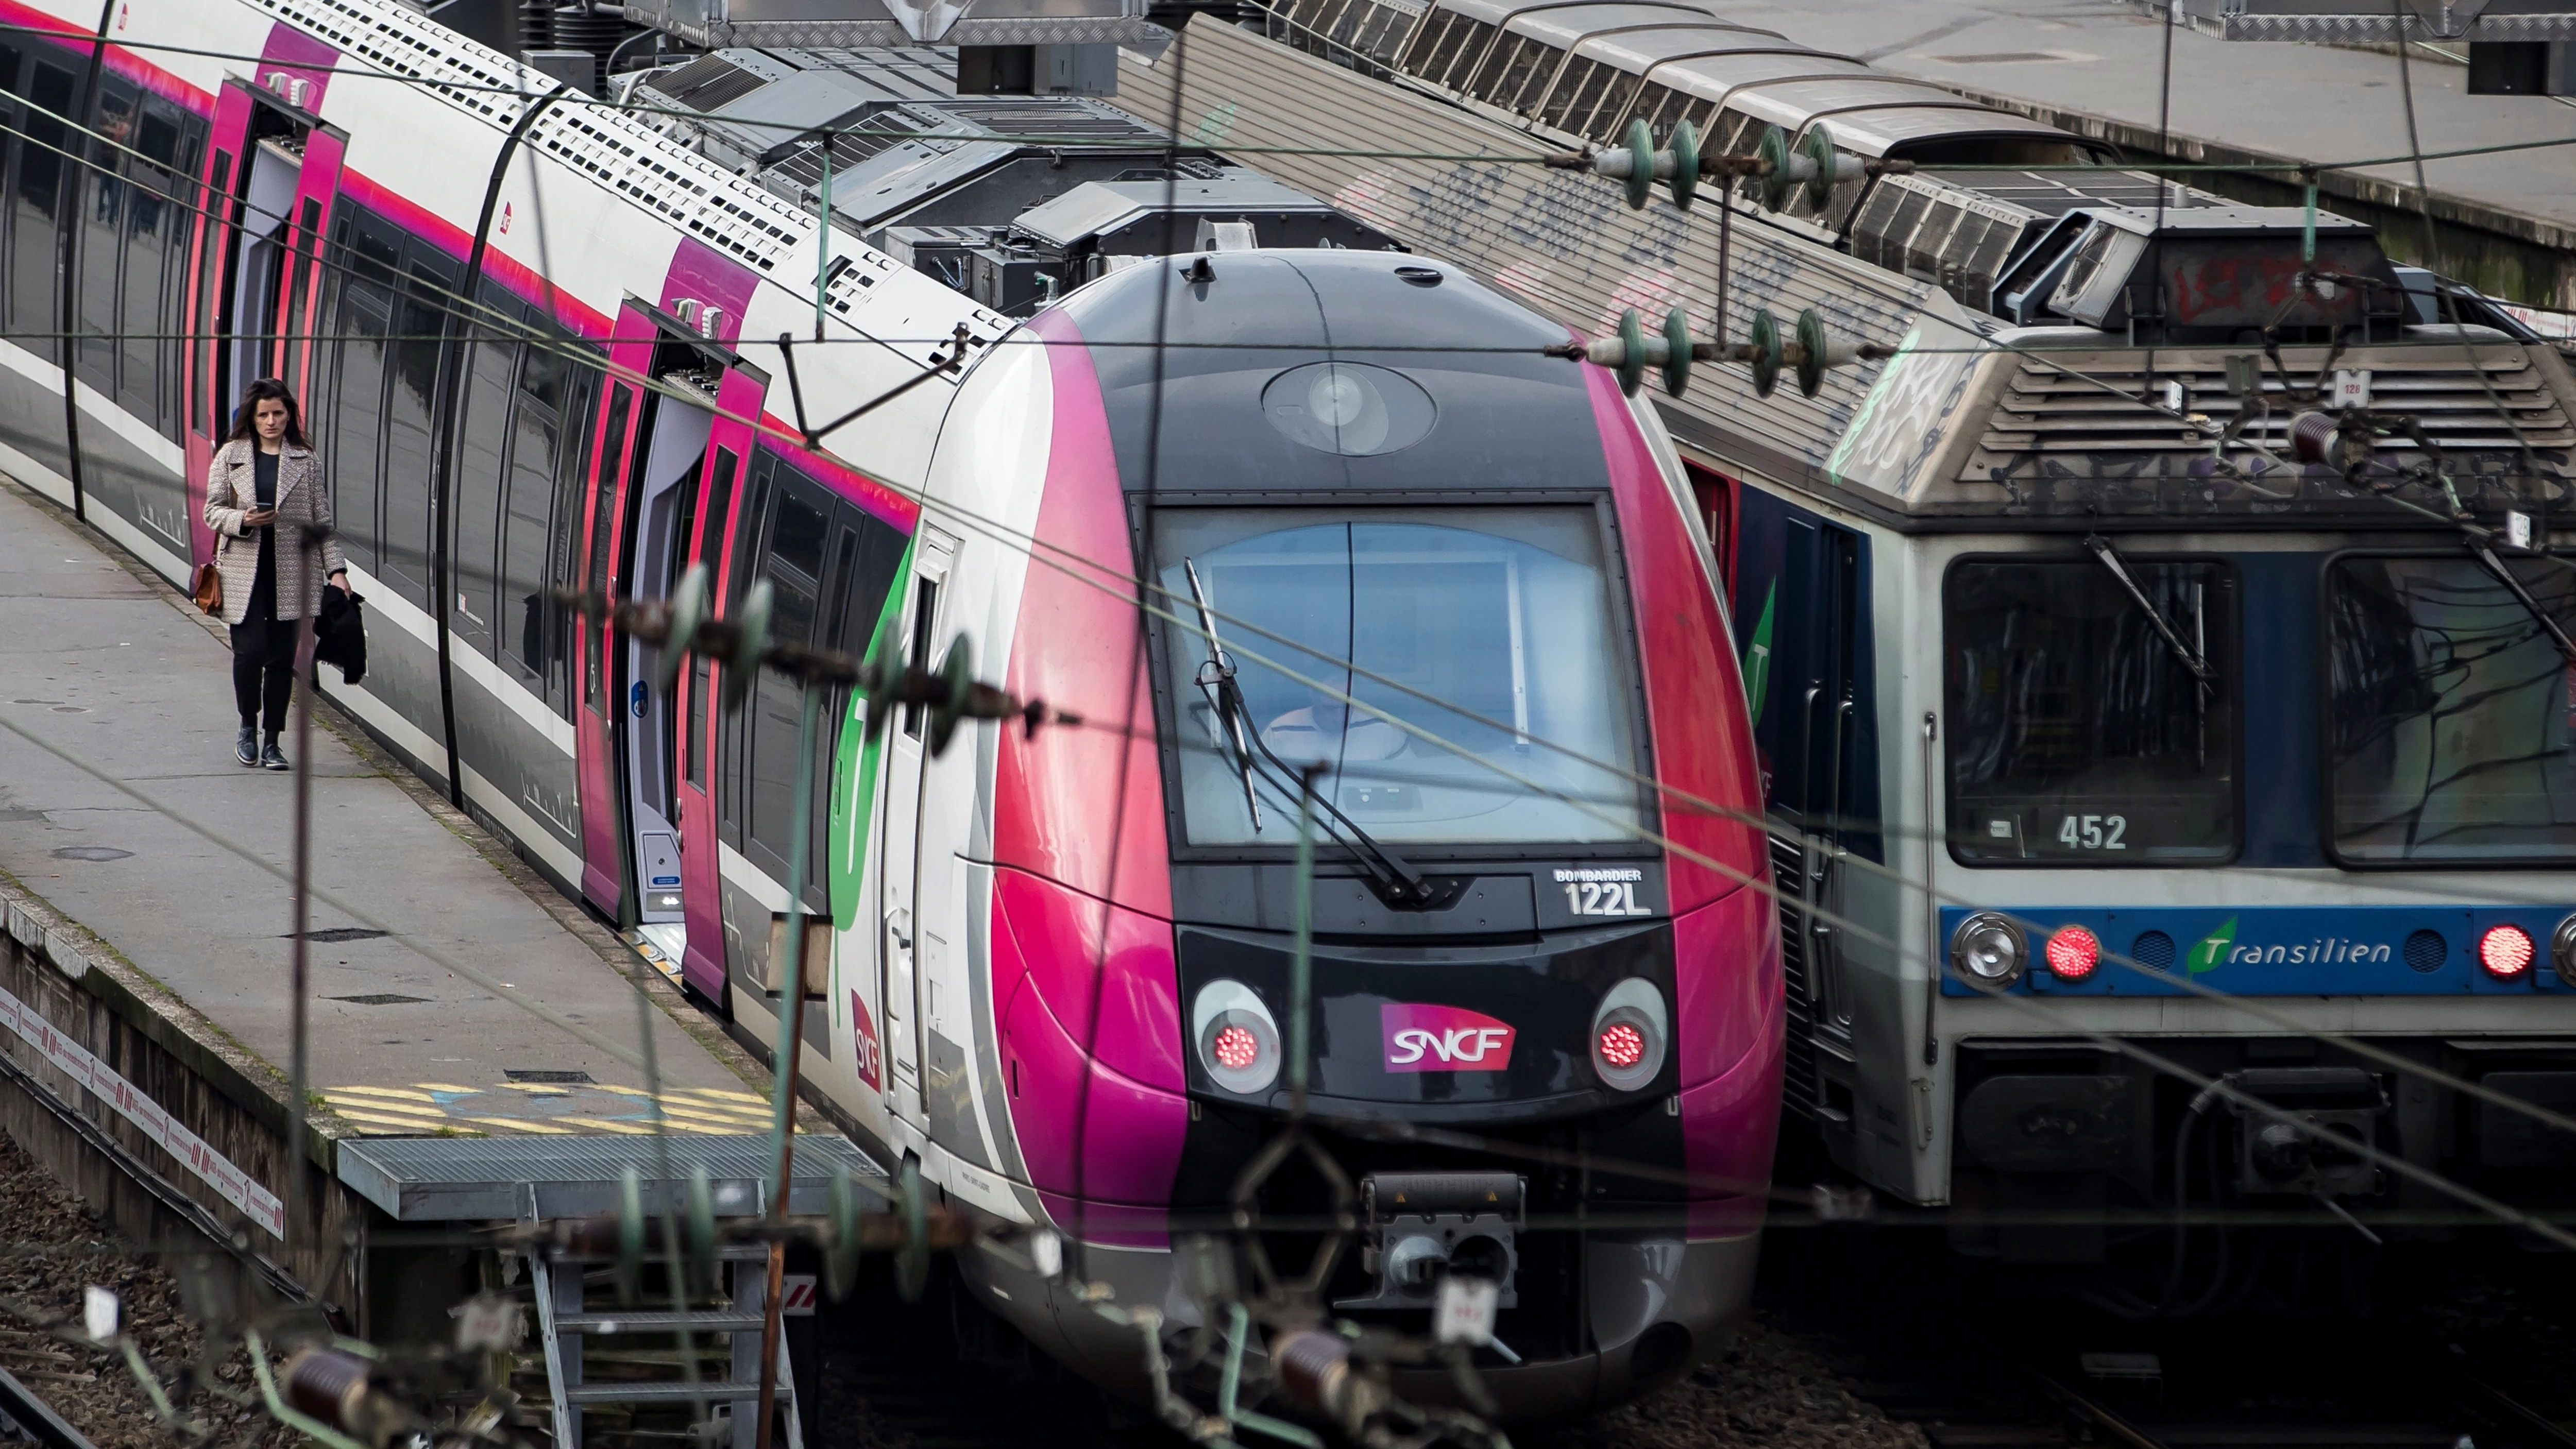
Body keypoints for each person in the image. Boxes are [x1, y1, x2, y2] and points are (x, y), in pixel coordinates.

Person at [202, 379, 349, 771]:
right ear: (252, 416)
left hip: (290, 574)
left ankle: (273, 742)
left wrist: (336, 571)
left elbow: (322, 522)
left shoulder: (305, 459)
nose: (271, 422)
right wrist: (244, 520)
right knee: (249, 654)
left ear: (289, 416)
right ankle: (248, 727)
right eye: (264, 414)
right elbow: (212, 510)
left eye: (279, 414)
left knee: (282, 660)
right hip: (241, 574)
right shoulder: (231, 455)